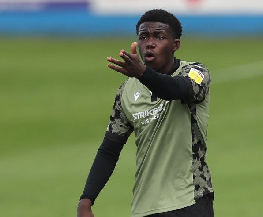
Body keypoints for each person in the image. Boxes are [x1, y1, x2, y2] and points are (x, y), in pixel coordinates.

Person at [77, 9, 214, 217]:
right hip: (145, 208)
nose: (149, 43)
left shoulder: (195, 73)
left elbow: (176, 89)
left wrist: (143, 73)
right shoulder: (127, 91)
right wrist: (86, 200)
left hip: (190, 202)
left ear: (175, 45)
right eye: (143, 37)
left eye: (159, 37)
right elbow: (109, 149)